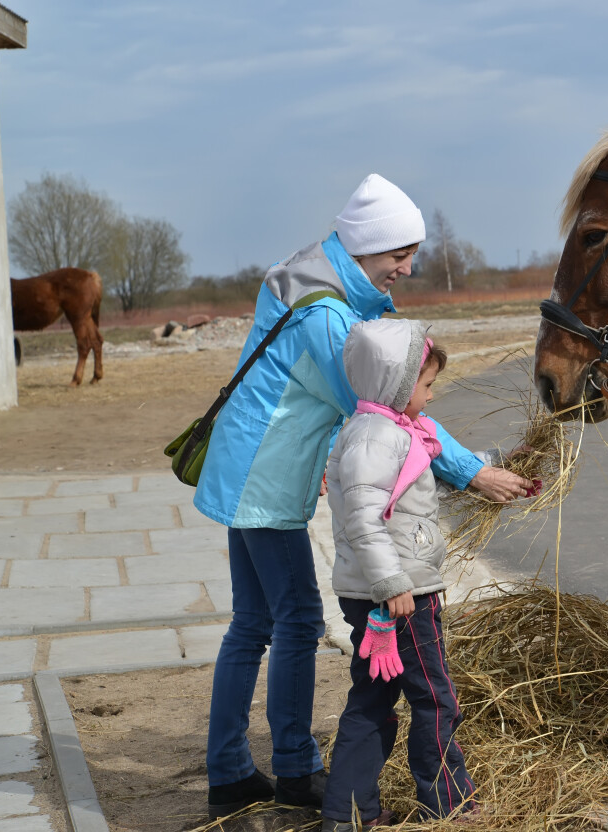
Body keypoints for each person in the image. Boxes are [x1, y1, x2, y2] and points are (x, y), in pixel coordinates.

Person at [194, 174, 534, 820]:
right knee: (293, 620)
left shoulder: (316, 286)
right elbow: (386, 414)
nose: (406, 268)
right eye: (397, 255)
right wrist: (473, 472)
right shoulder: (327, 316)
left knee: (254, 622)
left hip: (248, 464)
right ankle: (293, 769)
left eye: (411, 254)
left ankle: (230, 767)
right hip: (265, 478)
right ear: (363, 248)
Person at [320, 319, 504, 829]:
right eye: (425, 386)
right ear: (395, 385)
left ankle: (348, 812)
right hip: (402, 597)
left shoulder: (380, 431)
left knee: (373, 698)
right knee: (436, 697)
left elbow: (404, 502)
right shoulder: (378, 437)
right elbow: (362, 516)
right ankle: (448, 801)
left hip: (384, 593)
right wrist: (394, 584)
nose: (429, 397)